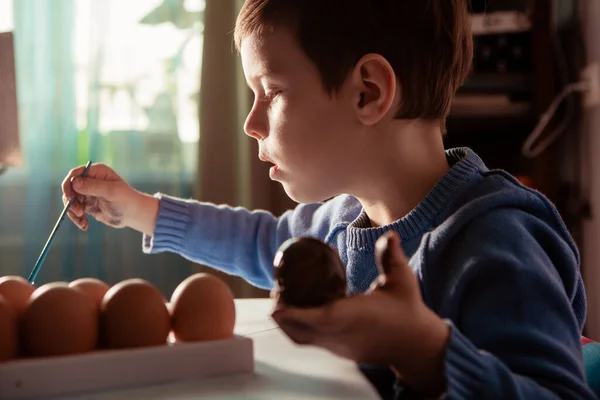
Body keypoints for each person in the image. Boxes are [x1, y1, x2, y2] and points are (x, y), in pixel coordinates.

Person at [61, 0, 596, 399]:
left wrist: (422, 350)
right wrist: (139, 209)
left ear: (368, 92)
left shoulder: (497, 244)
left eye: (270, 91)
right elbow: (263, 243)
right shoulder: (342, 220)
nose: (251, 123)